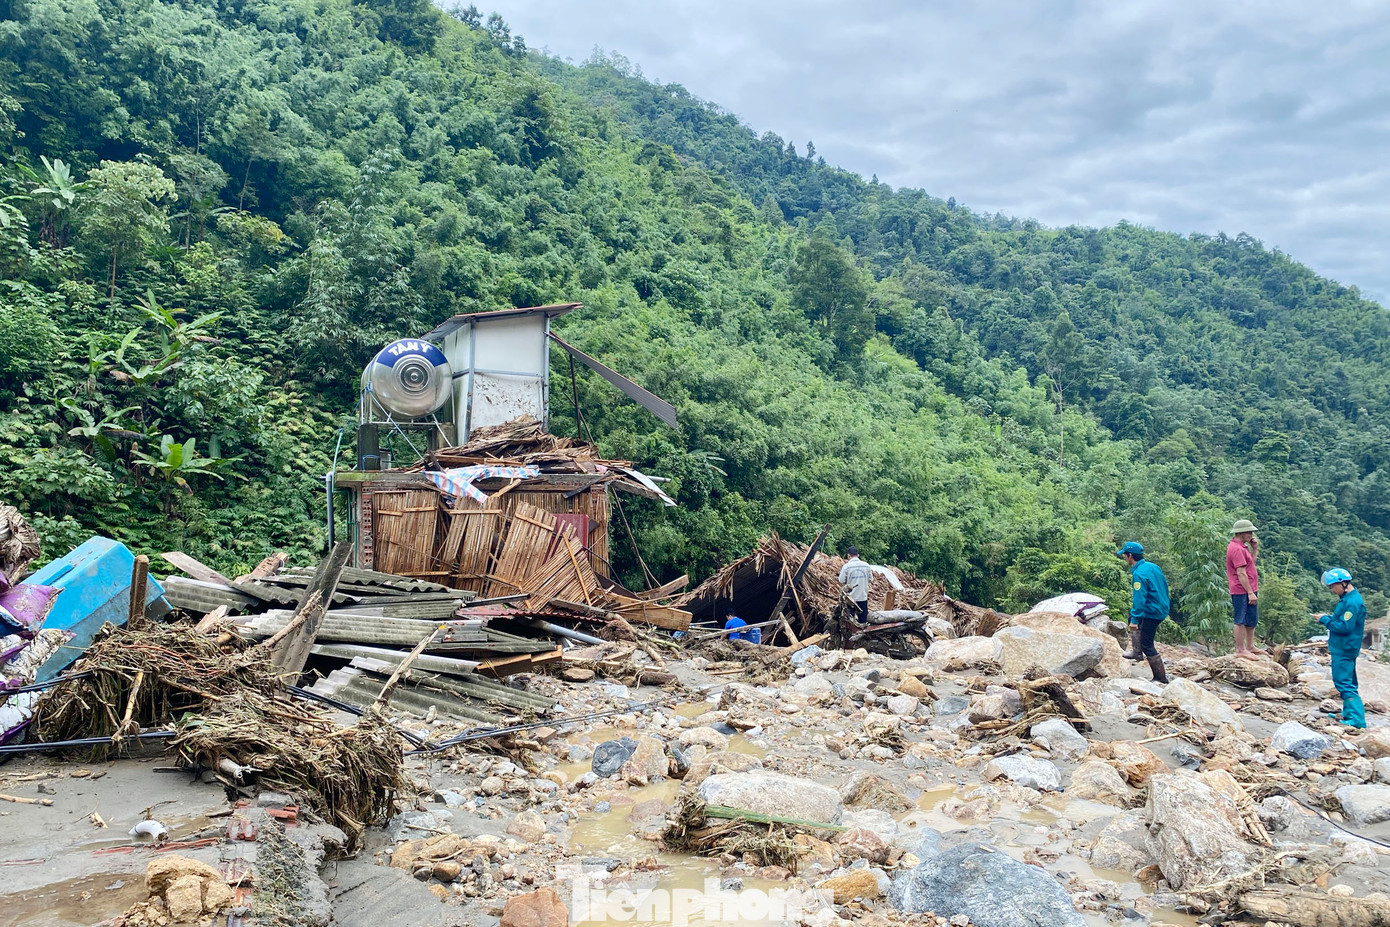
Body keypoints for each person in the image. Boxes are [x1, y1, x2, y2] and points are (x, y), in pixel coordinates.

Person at [1318, 568, 1366, 729]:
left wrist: (1325, 620)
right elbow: (1341, 621)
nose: (1332, 590)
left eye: (1333, 586)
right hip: (1345, 646)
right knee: (1348, 680)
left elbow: (1345, 627)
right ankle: (1348, 714)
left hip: (1345, 648)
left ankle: (1357, 720)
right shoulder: (1347, 599)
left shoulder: (1352, 602)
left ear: (1343, 583)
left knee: (1344, 682)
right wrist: (1329, 618)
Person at [1116, 541, 1169, 683]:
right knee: (1131, 618)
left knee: (1147, 644)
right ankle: (1136, 652)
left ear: (1130, 556)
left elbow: (1140, 599)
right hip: (1161, 606)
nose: (1125, 558)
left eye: (1125, 556)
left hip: (1152, 612)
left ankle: (1160, 678)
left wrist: (1135, 620)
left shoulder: (1139, 574)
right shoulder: (1152, 566)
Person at [1226, 519, 1264, 659]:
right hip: (1241, 590)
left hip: (1250, 588)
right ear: (1241, 533)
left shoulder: (1243, 547)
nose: (1251, 534)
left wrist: (1255, 549)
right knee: (1240, 619)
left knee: (1251, 618)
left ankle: (1250, 646)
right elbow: (1241, 573)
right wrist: (1249, 593)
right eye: (1249, 532)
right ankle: (1240, 649)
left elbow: (1251, 564)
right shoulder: (1236, 549)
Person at [838, 547, 873, 624]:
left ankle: (851, 635)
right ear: (858, 555)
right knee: (863, 620)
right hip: (862, 596)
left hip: (850, 598)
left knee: (849, 620)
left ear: (848, 556)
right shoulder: (866, 565)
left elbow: (841, 580)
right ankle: (863, 634)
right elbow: (870, 579)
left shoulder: (846, 567)